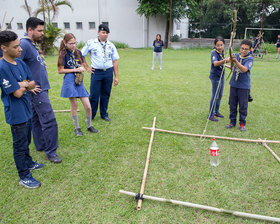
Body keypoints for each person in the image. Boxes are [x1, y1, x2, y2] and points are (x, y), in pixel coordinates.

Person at [0, 30, 44, 188]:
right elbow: (17, 93)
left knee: (27, 140)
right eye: (15, 47)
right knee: (19, 144)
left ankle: (29, 162)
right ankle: (24, 175)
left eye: (19, 45)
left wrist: (22, 84)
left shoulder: (21, 62)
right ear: (4, 48)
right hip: (16, 112)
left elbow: (32, 83)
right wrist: (24, 84)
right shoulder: (3, 67)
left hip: (26, 109)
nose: (20, 49)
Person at [20, 17, 61, 163]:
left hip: (42, 87)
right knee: (49, 120)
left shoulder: (32, 44)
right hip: (37, 90)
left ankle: (41, 145)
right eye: (39, 30)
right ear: (30, 30)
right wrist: (26, 84)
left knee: (36, 118)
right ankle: (51, 152)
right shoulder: (23, 44)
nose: (42, 33)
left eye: (42, 30)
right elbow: (14, 65)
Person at [57, 33, 98, 136]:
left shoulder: (78, 52)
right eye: (71, 43)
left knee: (88, 106)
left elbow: (83, 63)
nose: (73, 45)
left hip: (78, 80)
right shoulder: (63, 53)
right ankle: (77, 128)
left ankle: (89, 125)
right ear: (65, 43)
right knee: (74, 104)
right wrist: (75, 69)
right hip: (69, 80)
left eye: (75, 43)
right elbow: (60, 70)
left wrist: (86, 68)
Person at [81, 24, 119, 122]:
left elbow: (115, 61)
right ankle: (91, 115)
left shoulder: (111, 45)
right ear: (98, 32)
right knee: (94, 95)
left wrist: (116, 77)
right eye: (103, 32)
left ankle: (104, 114)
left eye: (106, 33)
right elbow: (81, 55)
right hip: (96, 73)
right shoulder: (91, 43)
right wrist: (87, 67)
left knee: (105, 94)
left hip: (108, 72)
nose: (105, 34)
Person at [226, 39, 254, 131]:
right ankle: (232, 122)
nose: (243, 50)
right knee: (232, 104)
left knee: (243, 106)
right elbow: (231, 63)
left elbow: (244, 69)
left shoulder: (250, 58)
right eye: (242, 48)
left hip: (244, 86)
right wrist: (229, 62)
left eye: (246, 49)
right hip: (234, 84)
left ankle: (242, 123)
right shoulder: (236, 56)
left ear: (250, 50)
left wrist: (236, 62)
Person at [208, 36, 230, 122]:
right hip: (215, 77)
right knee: (215, 95)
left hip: (221, 75)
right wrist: (226, 61)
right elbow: (215, 63)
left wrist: (228, 66)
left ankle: (216, 111)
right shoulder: (214, 53)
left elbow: (222, 63)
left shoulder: (222, 52)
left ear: (224, 44)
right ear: (215, 45)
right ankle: (210, 114)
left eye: (221, 45)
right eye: (218, 45)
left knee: (220, 95)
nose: (220, 47)